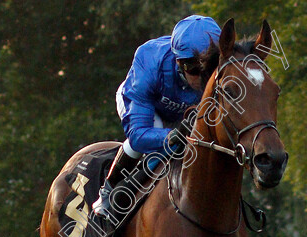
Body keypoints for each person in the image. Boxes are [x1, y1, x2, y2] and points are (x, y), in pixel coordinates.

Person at [91, 15, 221, 220]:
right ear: (179, 62)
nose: (202, 79)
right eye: (194, 69)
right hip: (145, 106)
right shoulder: (149, 61)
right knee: (160, 143)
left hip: (182, 113)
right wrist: (171, 137)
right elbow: (138, 135)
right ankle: (109, 192)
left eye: (210, 69)